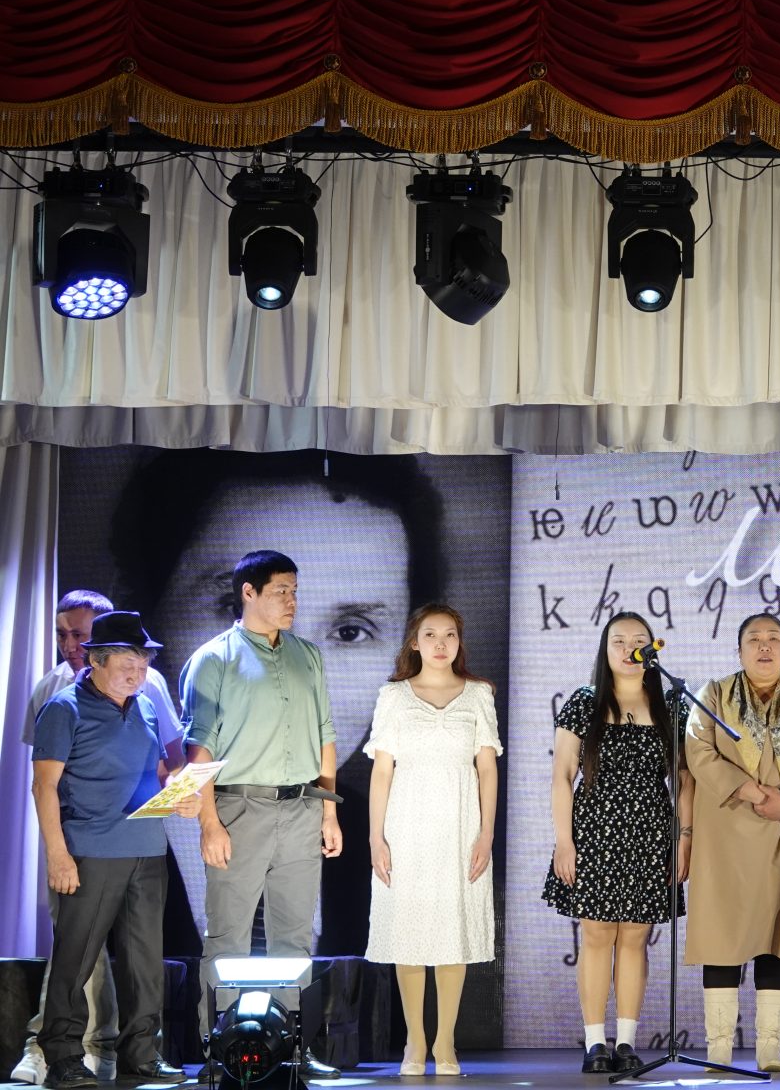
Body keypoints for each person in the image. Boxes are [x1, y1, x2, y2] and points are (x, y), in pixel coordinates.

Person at [111, 449, 452, 961]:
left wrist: (328, 814)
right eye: (234, 607)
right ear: (147, 617)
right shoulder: (110, 836)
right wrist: (210, 821)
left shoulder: (389, 842)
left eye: (351, 631)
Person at [180, 550, 342, 1078]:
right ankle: (218, 1051)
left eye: (294, 591)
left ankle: (292, 1048)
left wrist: (329, 814)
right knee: (227, 936)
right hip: (238, 806)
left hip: (302, 806)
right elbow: (199, 750)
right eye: (280, 591)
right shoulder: (214, 659)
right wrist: (209, 822)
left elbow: (325, 736)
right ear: (248, 592)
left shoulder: (307, 654)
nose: (292, 601)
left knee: (294, 936)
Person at [13, 590, 182, 1088]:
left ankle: (141, 1054)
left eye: (143, 664)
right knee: (76, 960)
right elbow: (43, 786)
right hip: (91, 851)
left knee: (144, 962)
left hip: (147, 850)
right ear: (97, 661)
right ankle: (63, 1056)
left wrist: (180, 793)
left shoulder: (145, 706)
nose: (138, 673)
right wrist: (57, 855)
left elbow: (156, 772)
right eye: (128, 664)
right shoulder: (63, 708)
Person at [684, 613, 780, 1073]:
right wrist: (753, 793)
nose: (765, 646)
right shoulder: (714, 695)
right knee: (723, 937)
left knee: (779, 935)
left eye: (774, 638)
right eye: (754, 639)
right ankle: (718, 1049)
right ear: (739, 651)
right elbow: (699, 751)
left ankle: (769, 1049)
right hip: (727, 832)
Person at [542, 611, 690, 1076]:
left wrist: (684, 839)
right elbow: (562, 776)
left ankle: (626, 1042)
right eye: (618, 641)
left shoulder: (672, 705)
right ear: (605, 651)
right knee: (596, 934)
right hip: (594, 832)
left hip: (651, 833)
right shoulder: (585, 702)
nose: (629, 649)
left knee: (636, 937)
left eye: (638, 640)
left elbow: (685, 780)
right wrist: (563, 841)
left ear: (653, 649)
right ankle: (594, 1043)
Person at [366, 604, 501, 1076]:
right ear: (414, 642)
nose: (441, 644)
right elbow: (382, 772)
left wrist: (486, 833)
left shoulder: (479, 694)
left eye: (450, 635)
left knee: (452, 933)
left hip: (460, 827)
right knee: (408, 933)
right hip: (406, 826)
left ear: (459, 642)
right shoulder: (394, 696)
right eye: (430, 634)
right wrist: (376, 838)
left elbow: (487, 769)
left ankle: (445, 1042)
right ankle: (414, 1042)